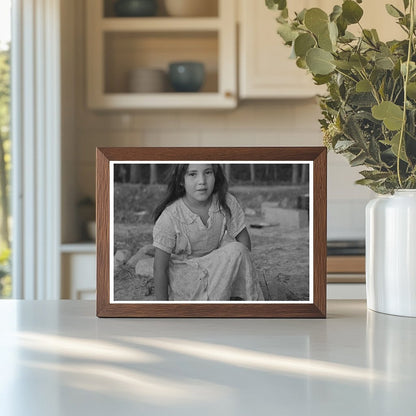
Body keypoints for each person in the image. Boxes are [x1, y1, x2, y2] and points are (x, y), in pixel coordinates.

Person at [152, 163, 264, 301]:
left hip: (215, 268)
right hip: (187, 279)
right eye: (193, 174)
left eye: (208, 173)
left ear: (215, 175)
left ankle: (240, 301)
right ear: (181, 180)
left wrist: (244, 272)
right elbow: (160, 269)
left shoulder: (226, 202)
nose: (202, 181)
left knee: (237, 249)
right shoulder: (170, 217)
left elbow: (243, 241)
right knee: (234, 249)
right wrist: (162, 310)